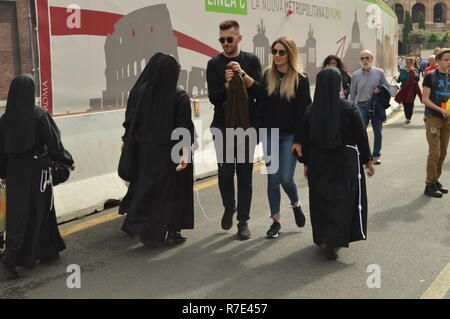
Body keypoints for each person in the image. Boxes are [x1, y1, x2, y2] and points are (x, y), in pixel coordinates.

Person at [294, 67, 375, 260]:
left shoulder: (311, 111)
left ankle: (323, 237)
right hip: (344, 162)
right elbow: (361, 137)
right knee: (341, 200)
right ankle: (334, 240)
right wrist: (368, 161)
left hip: (318, 163)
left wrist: (306, 164)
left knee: (321, 200)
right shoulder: (349, 108)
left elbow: (304, 141)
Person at [0, 75, 75, 278]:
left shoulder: (5, 119)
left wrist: (3, 174)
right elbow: (54, 145)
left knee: (19, 214)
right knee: (40, 209)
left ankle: (47, 249)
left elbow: (0, 151)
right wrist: (68, 160)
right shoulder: (39, 115)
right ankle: (12, 258)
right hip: (37, 171)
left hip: (15, 172)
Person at [121, 53, 196, 246]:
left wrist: (127, 141)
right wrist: (185, 154)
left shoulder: (141, 91)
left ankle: (146, 229)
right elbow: (183, 128)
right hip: (171, 152)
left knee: (147, 189)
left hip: (145, 151)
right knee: (174, 194)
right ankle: (172, 232)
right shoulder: (179, 95)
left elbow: (132, 120)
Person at [206, 20, 262, 240]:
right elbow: (213, 98)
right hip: (223, 127)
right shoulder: (214, 64)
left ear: (239, 38)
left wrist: (244, 75)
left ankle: (243, 222)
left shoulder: (251, 60)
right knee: (225, 173)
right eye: (221, 40)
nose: (225, 43)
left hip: (247, 127)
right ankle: (230, 206)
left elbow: (260, 92)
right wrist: (228, 84)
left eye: (229, 39)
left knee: (245, 175)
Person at [252, 37, 311, 238]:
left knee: (286, 178)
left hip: (290, 136)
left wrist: (299, 140)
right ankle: (276, 221)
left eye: (281, 52)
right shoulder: (268, 75)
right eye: (274, 51)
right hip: (269, 133)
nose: (276, 56)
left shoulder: (301, 79)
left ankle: (295, 204)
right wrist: (259, 128)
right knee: (273, 179)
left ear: (290, 54)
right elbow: (260, 103)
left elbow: (304, 113)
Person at [349, 50, 389, 165]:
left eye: (367, 58)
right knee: (361, 132)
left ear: (372, 59)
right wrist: (351, 108)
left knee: (378, 132)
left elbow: (387, 86)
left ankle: (376, 155)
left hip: (376, 107)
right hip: (361, 106)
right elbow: (352, 92)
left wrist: (380, 89)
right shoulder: (356, 75)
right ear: (359, 60)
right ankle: (363, 155)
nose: (365, 60)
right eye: (362, 58)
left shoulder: (379, 72)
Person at [422, 48, 450, 198]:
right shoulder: (430, 76)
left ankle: (435, 180)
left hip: (447, 118)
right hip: (433, 117)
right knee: (435, 152)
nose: (449, 62)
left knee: (443, 152)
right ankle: (429, 184)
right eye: (446, 59)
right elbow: (424, 99)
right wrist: (440, 109)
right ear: (438, 61)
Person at [395, 56, 422, 125]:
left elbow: (417, 79)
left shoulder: (415, 70)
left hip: (412, 90)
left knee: (410, 103)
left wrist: (414, 72)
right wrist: (395, 78)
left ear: (413, 63)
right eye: (407, 63)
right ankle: (407, 117)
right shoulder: (403, 71)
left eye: (410, 63)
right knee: (405, 103)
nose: (408, 64)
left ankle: (408, 118)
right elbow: (399, 81)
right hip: (403, 89)